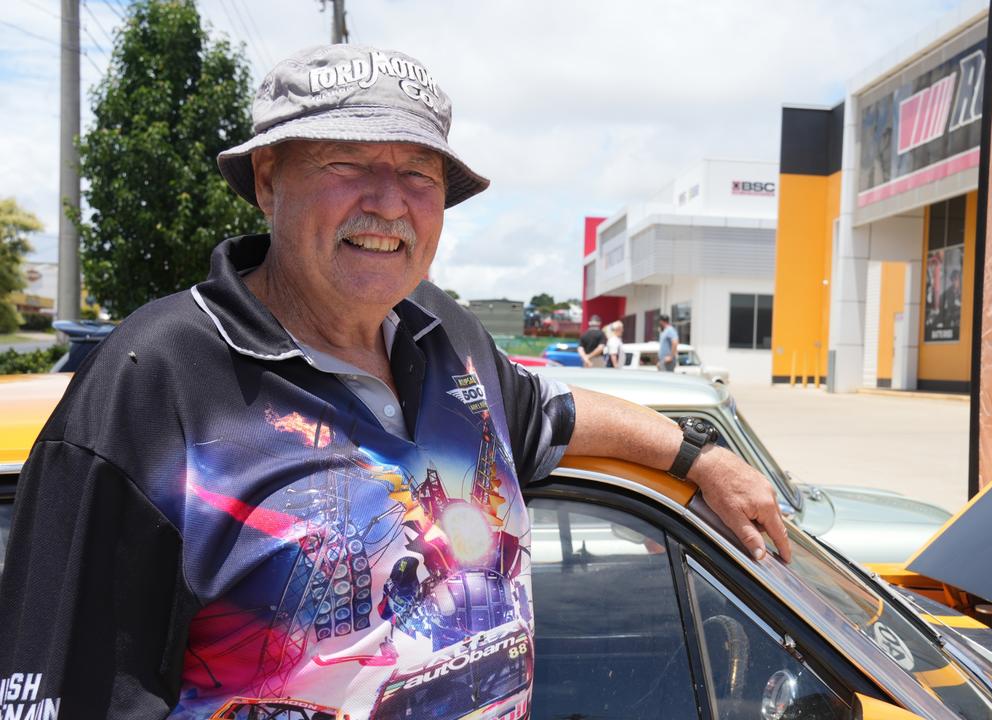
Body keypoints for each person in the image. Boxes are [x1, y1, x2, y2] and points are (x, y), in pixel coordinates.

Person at [0, 45, 789, 719]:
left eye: (418, 172)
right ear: (269, 180)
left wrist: (698, 460)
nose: (388, 202)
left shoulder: (447, 337)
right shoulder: (155, 381)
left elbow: (551, 412)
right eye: (347, 162)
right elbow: (61, 684)